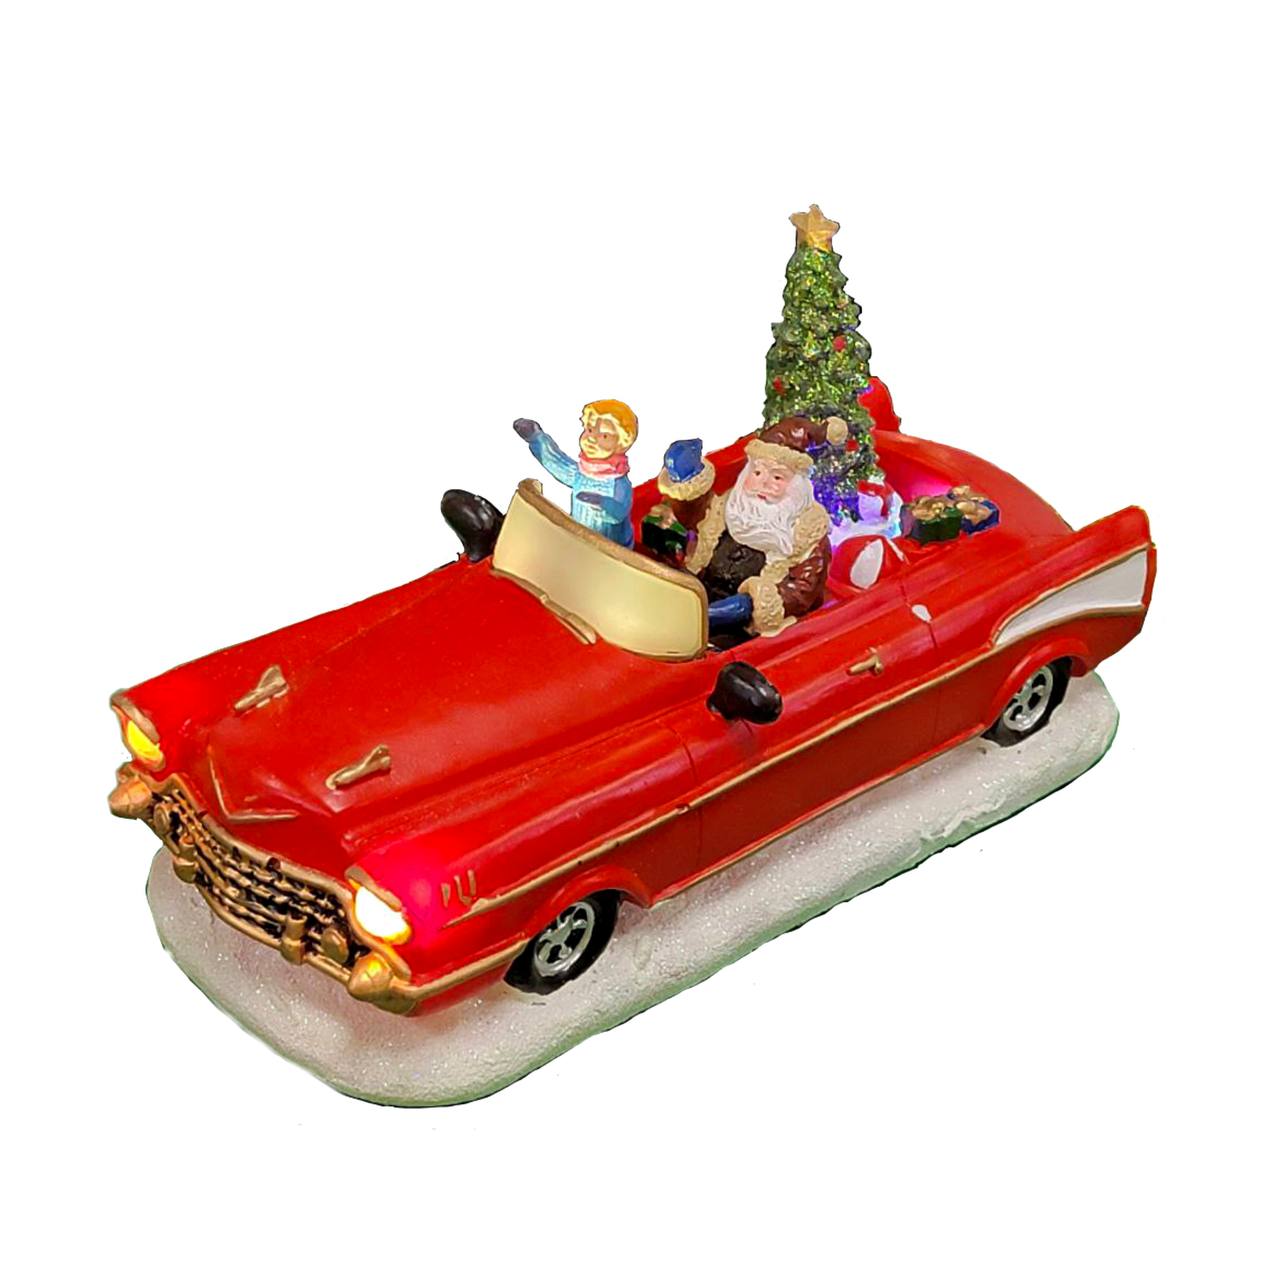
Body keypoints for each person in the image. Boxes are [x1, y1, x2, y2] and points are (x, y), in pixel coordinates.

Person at [683, 417, 834, 637]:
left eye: (777, 478)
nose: (763, 484)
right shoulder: (727, 508)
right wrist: (686, 479)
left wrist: (749, 605)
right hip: (698, 596)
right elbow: (692, 516)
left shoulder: (807, 538)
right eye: (757, 473)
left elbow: (802, 591)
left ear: (795, 488)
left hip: (746, 628)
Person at [513, 400, 638, 547]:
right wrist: (536, 437)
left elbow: (619, 511)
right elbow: (557, 463)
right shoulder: (581, 472)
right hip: (579, 542)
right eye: (589, 430)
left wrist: (602, 503)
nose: (592, 439)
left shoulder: (619, 483)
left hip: (611, 549)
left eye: (604, 436)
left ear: (622, 443)